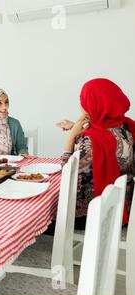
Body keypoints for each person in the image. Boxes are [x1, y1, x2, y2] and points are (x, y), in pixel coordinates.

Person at [53, 78, 135, 231]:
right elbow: (105, 137)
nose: (81, 105)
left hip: (99, 216)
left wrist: (71, 137)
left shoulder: (91, 140)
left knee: (44, 216)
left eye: (84, 101)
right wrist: (77, 127)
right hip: (126, 207)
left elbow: (67, 174)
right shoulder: (127, 128)